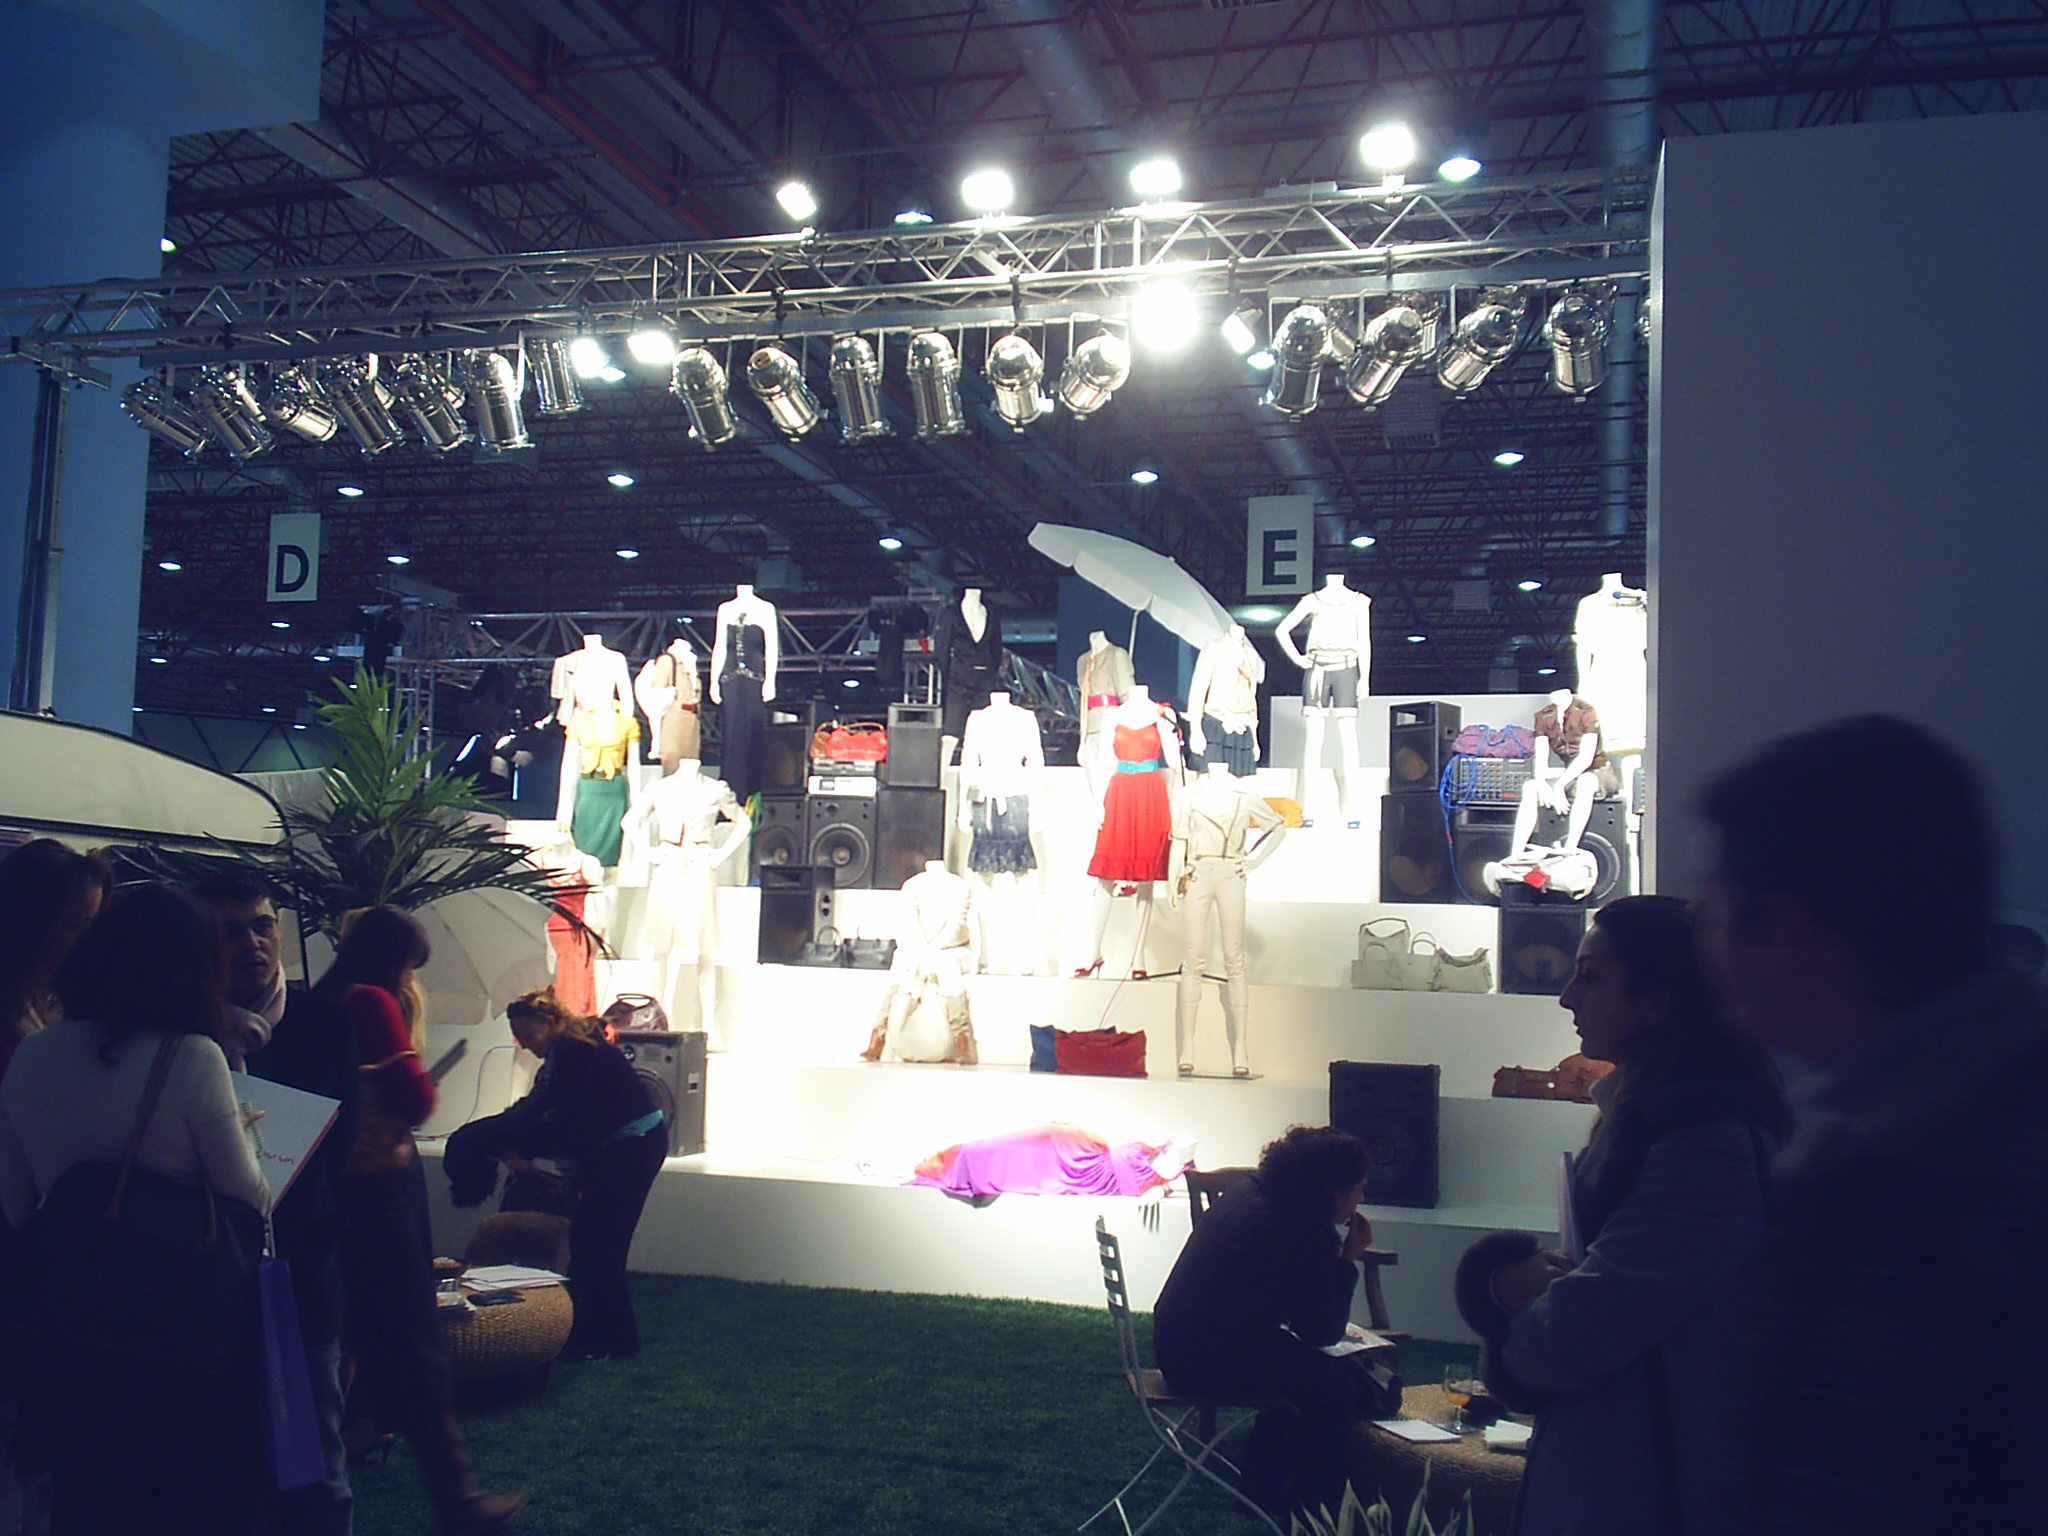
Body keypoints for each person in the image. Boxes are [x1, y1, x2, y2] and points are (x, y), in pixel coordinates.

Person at [1694, 716, 2048, 1534]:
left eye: (1713, 912)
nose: (1704, 945)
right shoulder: (1971, 1122)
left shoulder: (1904, 1183)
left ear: (1785, 929)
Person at [1454, 896, 1785, 1536]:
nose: (1566, 998)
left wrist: (1496, 1293)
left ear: (1657, 1002)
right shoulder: (1655, 1122)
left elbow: (1577, 1335)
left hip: (1654, 1489)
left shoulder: (1705, 1144)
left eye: (1590, 977)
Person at [0, 883, 268, 1534]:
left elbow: (15, 1202)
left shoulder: (33, 1052)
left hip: (66, 1328)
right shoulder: (190, 1057)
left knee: (87, 1499)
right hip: (177, 1334)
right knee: (183, 1500)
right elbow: (246, 1196)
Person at [316, 906, 524, 1535]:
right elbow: (417, 1098)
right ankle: (458, 1498)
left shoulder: (319, 1000)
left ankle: (359, 1437)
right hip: (376, 1189)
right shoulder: (374, 1001)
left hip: (326, 1190)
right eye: (411, 966)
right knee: (411, 1338)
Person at [195, 868, 359, 1536]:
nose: (253, 943)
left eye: (263, 926)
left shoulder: (323, 1023)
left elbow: (337, 1151)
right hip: (204, 1273)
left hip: (298, 1268)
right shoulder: (182, 1031)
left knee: (315, 1460)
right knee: (217, 1465)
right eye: (231, 931)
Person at [1152, 1125, 1390, 1519]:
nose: (1361, 1199)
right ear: (1334, 1189)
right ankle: (1314, 1510)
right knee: (1340, 1386)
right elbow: (1321, 1330)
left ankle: (1263, 1490)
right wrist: (1348, 1258)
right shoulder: (1304, 1226)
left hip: (1177, 1344)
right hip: (1206, 1362)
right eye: (1359, 1189)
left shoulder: (1251, 1192)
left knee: (1306, 1376)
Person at [442, 988, 666, 1360]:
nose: (525, 1044)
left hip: (632, 1147)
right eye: (519, 1038)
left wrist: (523, 1150)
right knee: (594, 1244)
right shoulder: (568, 1051)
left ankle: (610, 1341)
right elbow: (547, 1112)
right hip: (629, 1145)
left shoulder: (575, 1053)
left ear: (549, 1022)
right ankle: (603, 1338)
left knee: (600, 1246)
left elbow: (567, 1122)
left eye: (528, 1035)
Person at [0, 838, 111, 1076]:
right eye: (72, 925)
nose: (86, 939)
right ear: (25, 922)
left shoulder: (55, 996)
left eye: (91, 924)